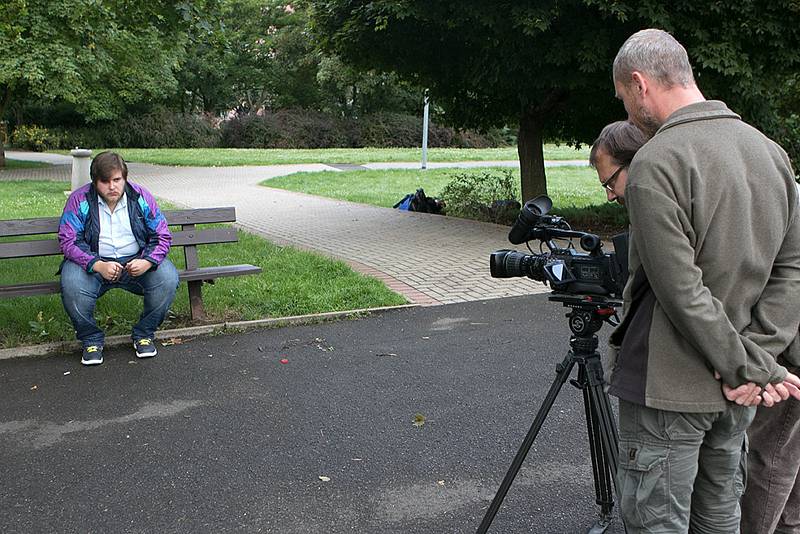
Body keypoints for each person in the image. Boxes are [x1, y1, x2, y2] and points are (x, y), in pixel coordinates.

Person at [606, 28, 800, 533]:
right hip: (737, 395)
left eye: (625, 99)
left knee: (657, 522)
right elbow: (792, 269)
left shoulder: (656, 161)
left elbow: (680, 290)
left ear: (640, 83)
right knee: (719, 519)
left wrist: (743, 365)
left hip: (669, 386)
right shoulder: (771, 154)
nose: (628, 112)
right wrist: (755, 361)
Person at [58, 151, 179, 366]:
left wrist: (148, 261)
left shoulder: (140, 196)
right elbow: (69, 240)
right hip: (94, 263)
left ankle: (144, 333)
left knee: (168, 278)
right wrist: (97, 264)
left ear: (124, 178)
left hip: (136, 261)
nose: (112, 187)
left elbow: (162, 235)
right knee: (72, 283)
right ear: (95, 181)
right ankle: (91, 339)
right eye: (105, 181)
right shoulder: (80, 199)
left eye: (117, 180)